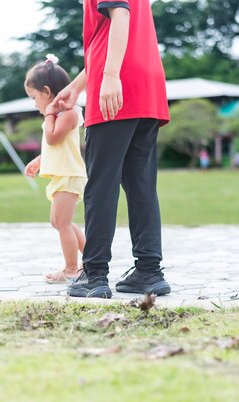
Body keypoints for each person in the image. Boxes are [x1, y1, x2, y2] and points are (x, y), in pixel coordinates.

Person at [51, 0, 171, 298]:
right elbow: (108, 34)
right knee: (141, 185)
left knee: (101, 185)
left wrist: (110, 76)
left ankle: (95, 274)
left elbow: (120, 15)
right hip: (147, 85)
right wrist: (78, 86)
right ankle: (149, 271)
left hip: (118, 87)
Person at [24, 55, 87, 284]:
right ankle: (91, 260)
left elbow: (52, 138)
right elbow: (54, 147)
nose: (34, 104)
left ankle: (71, 269)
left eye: (34, 98)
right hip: (63, 175)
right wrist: (39, 161)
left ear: (47, 92)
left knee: (63, 223)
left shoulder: (68, 113)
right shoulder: (56, 116)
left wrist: (49, 112)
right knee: (60, 222)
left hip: (69, 176)